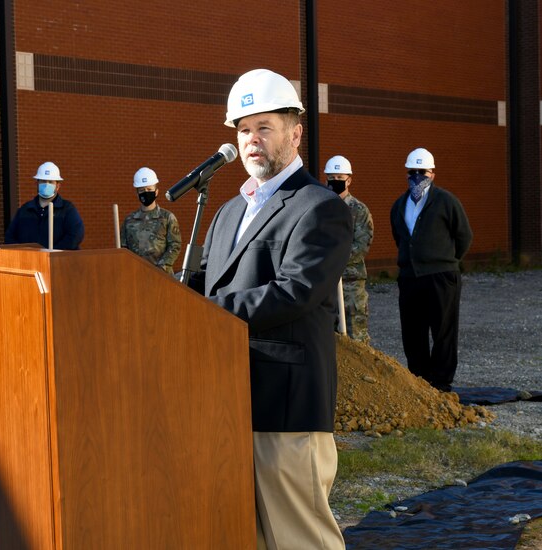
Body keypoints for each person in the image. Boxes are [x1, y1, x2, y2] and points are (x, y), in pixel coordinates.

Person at [189, 69, 353, 550]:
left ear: (295, 132)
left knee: (301, 540)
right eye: (243, 129)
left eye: (264, 126)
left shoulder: (318, 207)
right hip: (227, 405)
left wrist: (205, 310)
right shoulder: (227, 212)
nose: (251, 139)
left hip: (285, 410)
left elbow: (294, 291)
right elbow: (203, 281)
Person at [390, 148, 472, 392]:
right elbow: (400, 238)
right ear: (407, 174)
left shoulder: (446, 201)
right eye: (413, 172)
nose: (417, 176)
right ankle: (419, 380)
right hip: (410, 278)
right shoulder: (399, 205)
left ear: (432, 174)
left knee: (443, 329)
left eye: (422, 172)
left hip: (441, 277)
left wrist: (447, 261)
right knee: (412, 331)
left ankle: (441, 381)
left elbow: (464, 236)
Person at [324, 155, 374, 343]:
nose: (335, 182)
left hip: (350, 282)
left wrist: (333, 259)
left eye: (339, 178)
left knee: (356, 336)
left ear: (349, 180)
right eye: (332, 178)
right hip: (326, 282)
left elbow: (361, 246)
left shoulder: (359, 210)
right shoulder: (322, 208)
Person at [4, 161, 85, 250]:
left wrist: (52, 253)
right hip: (29, 261)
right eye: (43, 181)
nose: (46, 185)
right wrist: (26, 253)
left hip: (57, 261)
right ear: (37, 184)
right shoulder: (25, 210)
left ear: (58, 186)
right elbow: (10, 237)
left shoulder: (67, 209)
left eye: (50, 182)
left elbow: (75, 235)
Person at [120, 167, 182, 274]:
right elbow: (124, 249)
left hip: (162, 276)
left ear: (156, 192)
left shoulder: (167, 217)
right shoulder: (129, 220)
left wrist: (162, 266)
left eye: (149, 190)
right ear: (137, 194)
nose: (146, 193)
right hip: (136, 275)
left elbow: (175, 245)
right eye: (142, 190)